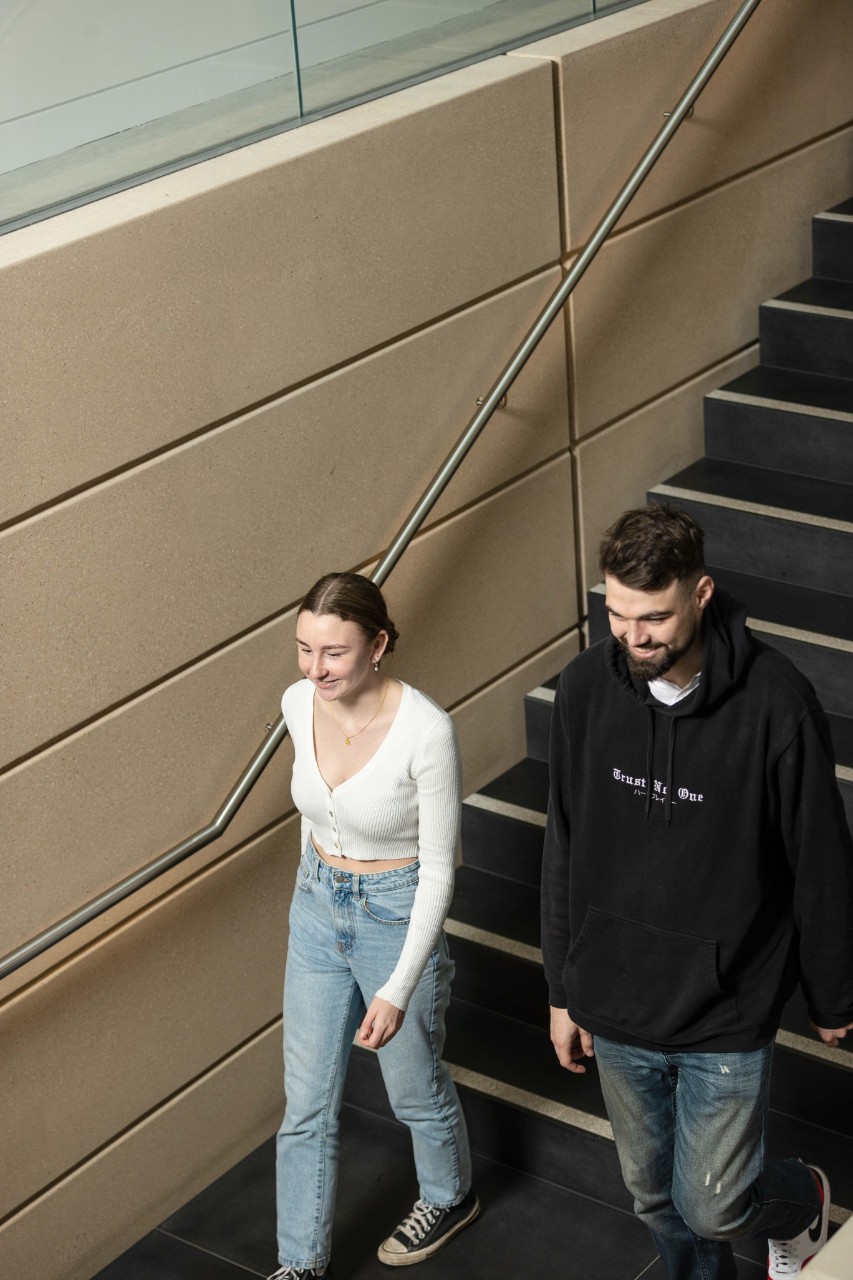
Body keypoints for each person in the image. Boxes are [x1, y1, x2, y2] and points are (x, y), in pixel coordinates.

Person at [541, 504, 853, 1280]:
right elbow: (564, 844)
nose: (633, 636)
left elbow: (819, 858)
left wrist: (833, 993)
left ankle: (802, 1197)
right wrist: (560, 987)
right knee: (652, 1197)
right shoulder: (583, 689)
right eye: (616, 614)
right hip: (615, 994)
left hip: (725, 1002)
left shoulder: (776, 702)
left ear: (701, 593)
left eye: (654, 616)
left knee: (713, 1204)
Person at [267, 572, 479, 1280]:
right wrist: (313, 892)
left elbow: (441, 869)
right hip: (317, 907)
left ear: (378, 644)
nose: (314, 669)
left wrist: (394, 987)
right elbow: (314, 813)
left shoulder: (425, 730)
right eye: (303, 649)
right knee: (305, 1102)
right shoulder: (298, 703)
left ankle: (450, 1196)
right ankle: (299, 1264)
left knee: (412, 1086)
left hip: (398, 909)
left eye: (333, 652)